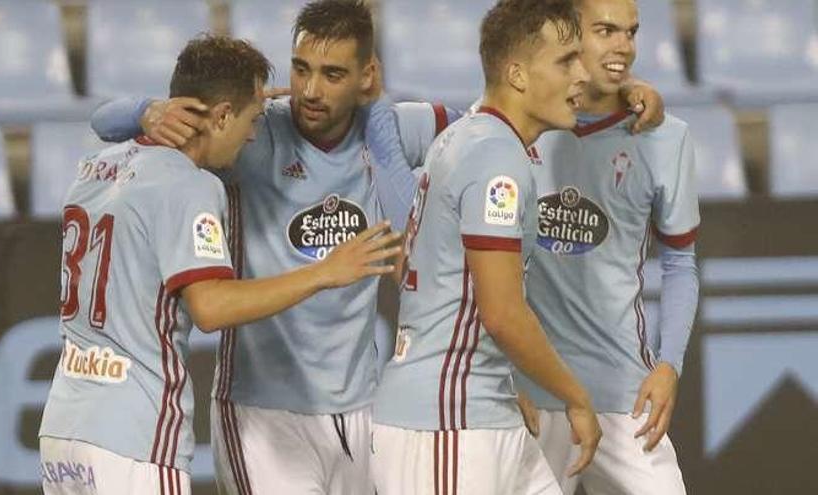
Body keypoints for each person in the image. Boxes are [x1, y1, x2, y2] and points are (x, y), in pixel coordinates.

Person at [89, 1, 665, 492]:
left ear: (368, 76)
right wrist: (144, 110)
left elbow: (503, 103)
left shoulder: (403, 129)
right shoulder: (255, 130)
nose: (311, 91)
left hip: (365, 407)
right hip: (262, 408)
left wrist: (615, 91)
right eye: (302, 69)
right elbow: (104, 121)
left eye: (333, 74)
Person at [38, 35, 398, 495]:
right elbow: (210, 306)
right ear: (223, 115)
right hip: (135, 433)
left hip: (64, 430)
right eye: (250, 118)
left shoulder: (94, 168)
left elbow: (108, 121)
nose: (253, 134)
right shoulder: (190, 185)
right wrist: (325, 271)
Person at [369, 1, 601, 493]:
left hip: (481, 405)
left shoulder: (470, 138)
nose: (583, 75)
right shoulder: (496, 159)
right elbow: (502, 314)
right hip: (446, 422)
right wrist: (576, 398)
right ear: (517, 74)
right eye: (566, 61)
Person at [514, 1, 699, 493]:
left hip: (623, 395)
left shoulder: (666, 138)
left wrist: (669, 364)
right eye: (606, 31)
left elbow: (681, 262)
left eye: (631, 33)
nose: (623, 46)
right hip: (531, 395)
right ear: (570, 35)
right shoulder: (519, 126)